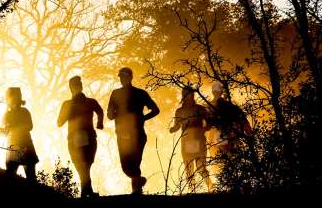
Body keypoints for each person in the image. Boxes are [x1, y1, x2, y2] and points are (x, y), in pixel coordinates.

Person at [107, 67, 160, 195]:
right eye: (120, 77)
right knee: (127, 167)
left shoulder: (140, 93)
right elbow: (109, 114)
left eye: (125, 76)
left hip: (137, 135)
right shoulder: (115, 93)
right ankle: (138, 184)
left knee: (134, 165)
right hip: (122, 135)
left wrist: (143, 118)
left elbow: (156, 110)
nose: (122, 79)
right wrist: (113, 115)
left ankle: (137, 190)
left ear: (130, 77)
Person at [57, 76, 104, 198]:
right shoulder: (70, 104)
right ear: (72, 88)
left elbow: (100, 111)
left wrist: (100, 122)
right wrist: (99, 122)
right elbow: (59, 123)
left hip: (84, 137)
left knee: (84, 164)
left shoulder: (88, 102)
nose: (77, 88)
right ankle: (87, 191)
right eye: (75, 86)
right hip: (78, 138)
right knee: (82, 165)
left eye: (77, 85)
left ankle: (86, 191)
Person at [170, 88, 213, 192]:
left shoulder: (200, 109)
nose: (191, 96)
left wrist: (204, 129)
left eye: (192, 94)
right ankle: (192, 191)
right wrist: (172, 129)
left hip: (198, 140)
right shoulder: (179, 111)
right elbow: (177, 126)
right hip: (186, 140)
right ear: (184, 96)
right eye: (189, 94)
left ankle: (211, 188)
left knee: (201, 166)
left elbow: (209, 122)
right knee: (188, 168)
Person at [0, 87, 39, 181]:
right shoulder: (6, 115)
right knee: (10, 176)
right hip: (13, 147)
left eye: (17, 96)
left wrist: (12, 129)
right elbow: (6, 132)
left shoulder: (25, 112)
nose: (15, 98)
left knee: (31, 177)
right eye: (12, 96)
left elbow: (29, 126)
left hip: (26, 146)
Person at [207, 82, 252, 158]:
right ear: (221, 92)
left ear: (212, 92)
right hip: (230, 137)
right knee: (233, 160)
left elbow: (205, 125)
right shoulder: (231, 106)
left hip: (219, 139)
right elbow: (243, 120)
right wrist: (249, 134)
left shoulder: (207, 107)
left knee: (219, 161)